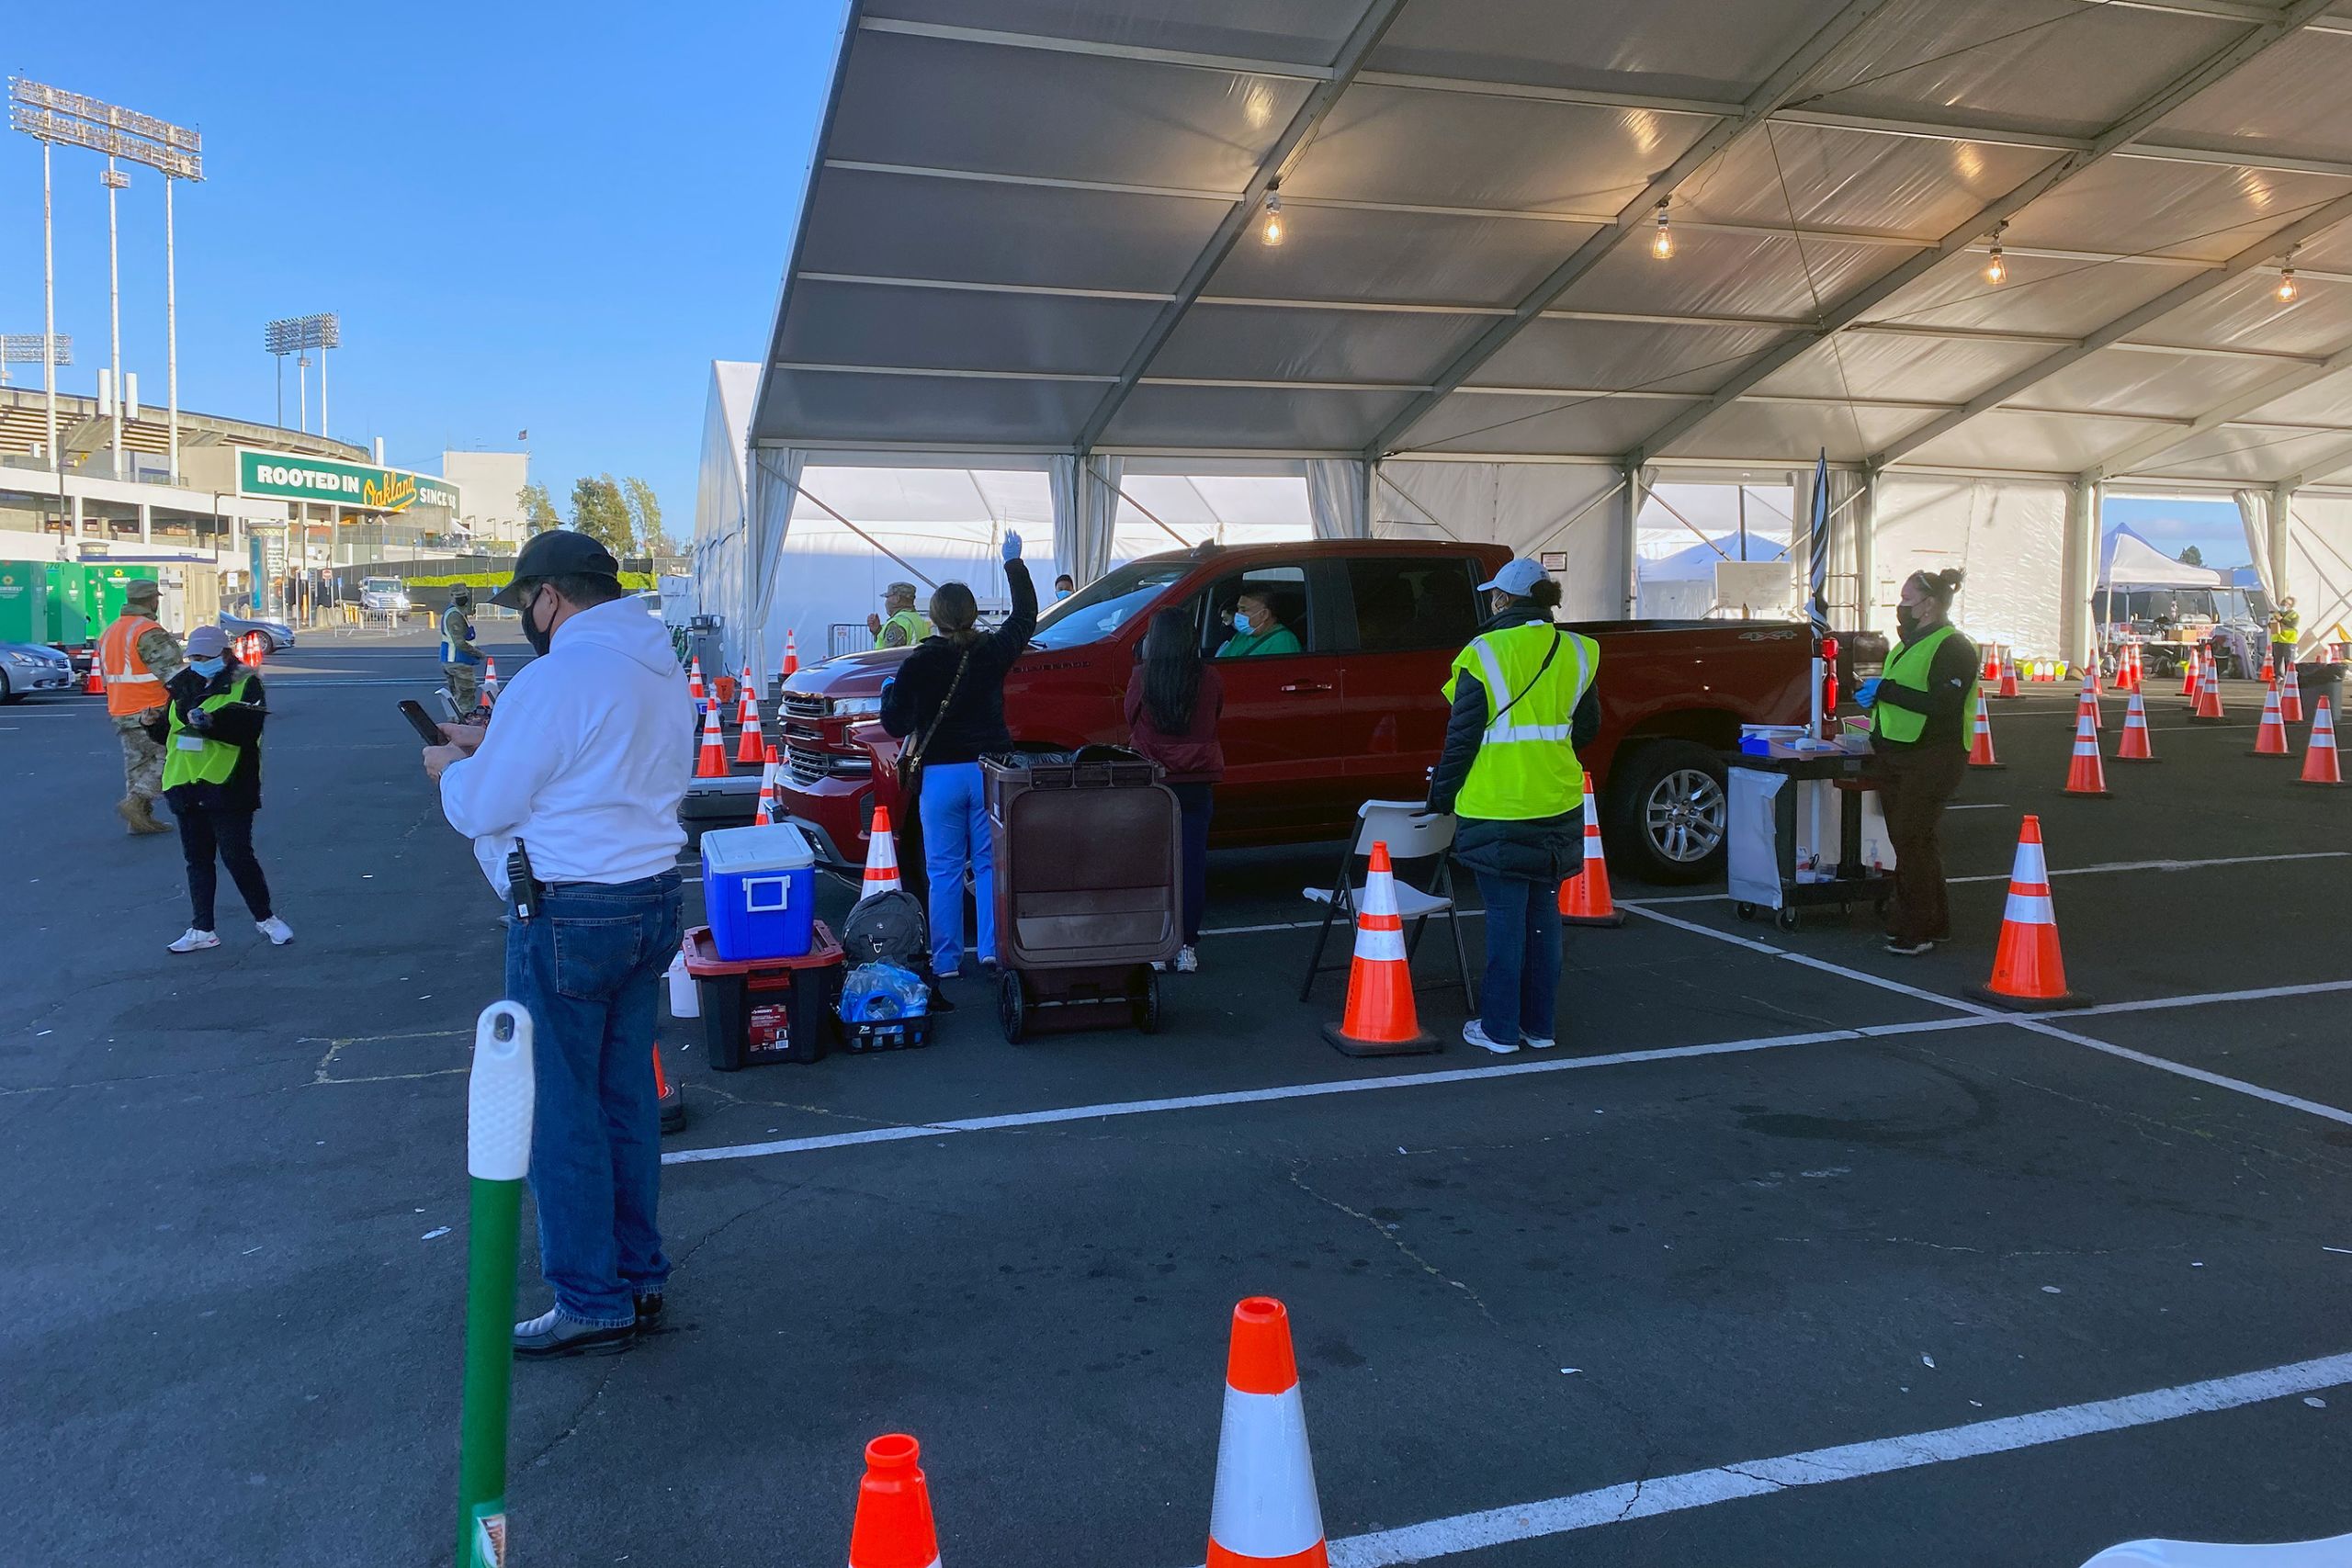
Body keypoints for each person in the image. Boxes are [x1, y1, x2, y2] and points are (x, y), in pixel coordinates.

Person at [423, 529, 692, 1359]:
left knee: (562, 1111)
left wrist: (450, 769)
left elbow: (485, 805)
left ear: (550, 596)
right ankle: (638, 1276)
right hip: (650, 896)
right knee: (625, 1100)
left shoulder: (556, 676)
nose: (526, 619)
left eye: (526, 603)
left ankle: (590, 1298)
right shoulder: (659, 666)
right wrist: (494, 744)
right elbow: (598, 760)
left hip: (570, 911)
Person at [1427, 559, 1600, 1055]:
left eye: (1495, 595)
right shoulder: (1580, 650)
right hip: (1557, 799)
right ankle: (1539, 1027)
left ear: (1504, 600)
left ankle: (1500, 1029)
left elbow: (1461, 738)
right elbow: (1587, 727)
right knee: (1544, 917)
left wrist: (1440, 795)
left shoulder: (1484, 652)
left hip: (1498, 805)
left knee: (1505, 921)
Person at [879, 531, 1037, 990]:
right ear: (973, 614)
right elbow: (1025, 617)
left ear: (933, 618)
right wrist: (1013, 564)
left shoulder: (918, 663)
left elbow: (894, 724)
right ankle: (991, 949)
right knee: (989, 864)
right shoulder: (992, 652)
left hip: (941, 776)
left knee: (943, 870)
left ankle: (946, 959)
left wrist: (888, 692)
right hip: (990, 771)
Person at [147, 626, 292, 953]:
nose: (199, 662)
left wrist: (210, 724)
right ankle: (202, 929)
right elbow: (167, 732)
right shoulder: (181, 684)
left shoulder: (246, 682)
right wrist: (151, 725)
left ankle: (266, 918)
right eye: (194, 657)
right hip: (184, 782)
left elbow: (247, 730)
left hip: (228, 783)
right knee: (197, 860)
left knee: (236, 855)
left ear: (223, 654)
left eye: (205, 656)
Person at [1858, 568, 1978, 957]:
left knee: (1911, 839)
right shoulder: (1908, 644)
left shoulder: (1954, 647)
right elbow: (1903, 695)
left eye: (1907, 599)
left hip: (1933, 754)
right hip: (1897, 751)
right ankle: (1933, 921)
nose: (1901, 606)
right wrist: (1876, 700)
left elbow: (1943, 703)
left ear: (1929, 605)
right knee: (1913, 840)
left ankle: (1916, 926)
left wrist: (1887, 690)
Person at [1125, 607, 1223, 973]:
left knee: (1154, 865)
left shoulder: (1142, 676)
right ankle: (1186, 948)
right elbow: (1215, 714)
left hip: (1154, 781)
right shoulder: (1209, 677)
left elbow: (1131, 716)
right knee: (1191, 865)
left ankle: (1157, 944)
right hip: (1197, 781)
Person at [97, 577, 184, 836]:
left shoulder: (110, 632)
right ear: (152, 600)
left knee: (137, 765)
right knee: (173, 756)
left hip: (121, 707)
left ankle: (139, 821)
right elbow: (173, 673)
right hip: (151, 708)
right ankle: (136, 801)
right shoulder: (148, 631)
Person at [1216, 587, 1302, 658]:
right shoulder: (1242, 635)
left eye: (1244, 610)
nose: (1238, 614)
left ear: (1264, 614)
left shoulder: (1283, 642)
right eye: (1238, 609)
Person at [441, 583, 484, 713]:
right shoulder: (454, 615)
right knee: (465, 698)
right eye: (458, 595)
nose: (462, 598)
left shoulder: (458, 612)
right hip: (458, 660)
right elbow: (460, 643)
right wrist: (478, 653)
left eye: (463, 595)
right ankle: (462, 721)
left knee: (457, 697)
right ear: (451, 596)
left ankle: (455, 719)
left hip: (453, 661)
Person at [868, 582, 929, 649]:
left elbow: (891, 654)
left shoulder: (898, 622)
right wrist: (877, 631)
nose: (886, 602)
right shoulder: (918, 620)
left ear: (896, 599)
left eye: (887, 597)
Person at [2270, 594, 2301, 678]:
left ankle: (2290, 677)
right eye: (2282, 603)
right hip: (2277, 639)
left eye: (2286, 603)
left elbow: (2292, 625)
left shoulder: (2294, 615)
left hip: (2289, 640)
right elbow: (2270, 624)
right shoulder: (2277, 614)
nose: (2283, 605)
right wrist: (2272, 622)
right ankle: (2278, 675)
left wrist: (2281, 619)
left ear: (2290, 606)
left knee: (2289, 660)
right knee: (2277, 659)